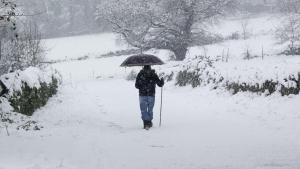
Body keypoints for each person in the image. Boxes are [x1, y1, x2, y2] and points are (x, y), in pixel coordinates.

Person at [135, 65, 164, 129]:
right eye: (147, 69)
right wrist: (161, 82)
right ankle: (148, 123)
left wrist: (161, 82)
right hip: (150, 95)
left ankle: (147, 123)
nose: (147, 70)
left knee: (144, 110)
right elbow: (159, 84)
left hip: (144, 95)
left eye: (147, 69)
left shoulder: (141, 74)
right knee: (148, 110)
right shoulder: (152, 74)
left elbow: (136, 85)